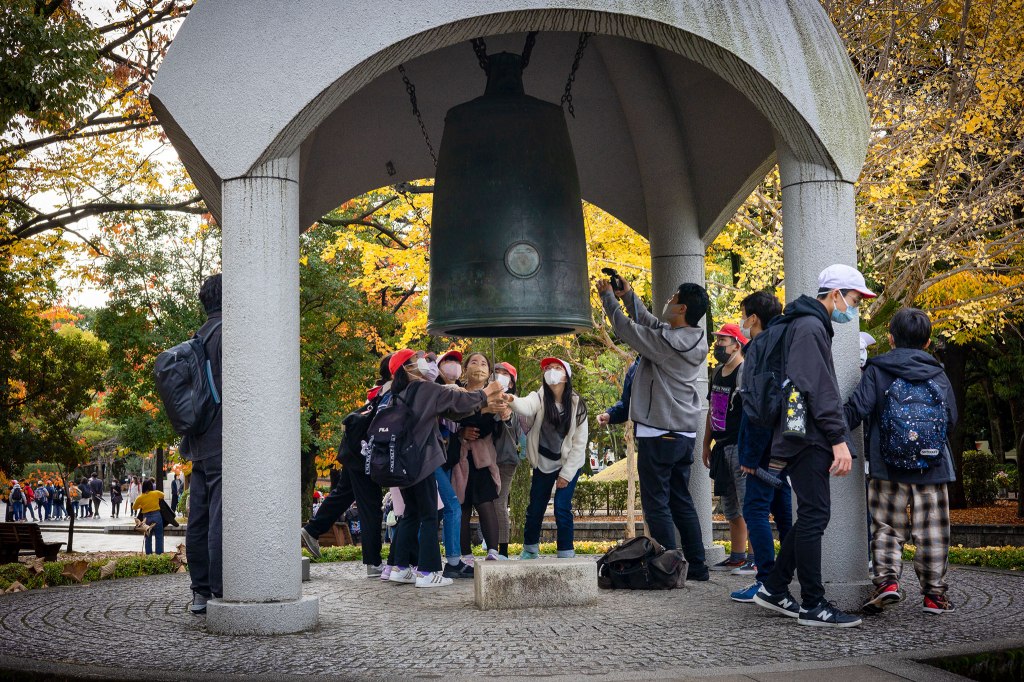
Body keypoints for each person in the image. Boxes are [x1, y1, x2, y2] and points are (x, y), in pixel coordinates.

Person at [751, 263, 873, 628]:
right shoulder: (809, 326)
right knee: (815, 516)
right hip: (808, 438)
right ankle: (813, 604)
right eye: (854, 300)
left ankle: (775, 588)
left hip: (800, 435)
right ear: (835, 295)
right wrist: (838, 439)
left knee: (811, 515)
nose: (854, 309)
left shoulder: (805, 322)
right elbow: (816, 387)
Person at [844, 308, 958, 615]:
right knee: (932, 532)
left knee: (886, 527)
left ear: (891, 338)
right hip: (933, 467)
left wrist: (827, 425)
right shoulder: (938, 373)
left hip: (887, 466)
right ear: (928, 342)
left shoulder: (877, 370)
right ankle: (934, 596)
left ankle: (887, 583)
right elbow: (951, 419)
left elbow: (856, 410)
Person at [596, 275, 710, 581]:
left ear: (682, 308)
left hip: (659, 431)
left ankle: (668, 569)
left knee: (656, 503)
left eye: (673, 298)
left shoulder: (667, 344)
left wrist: (608, 298)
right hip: (682, 433)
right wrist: (628, 295)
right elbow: (650, 323)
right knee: (680, 500)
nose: (668, 300)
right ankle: (698, 566)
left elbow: (628, 330)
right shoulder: (689, 337)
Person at [385, 348, 504, 588]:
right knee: (429, 514)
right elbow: (455, 401)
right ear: (407, 368)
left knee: (411, 513)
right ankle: (427, 572)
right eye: (417, 360)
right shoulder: (423, 389)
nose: (424, 362)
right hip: (422, 460)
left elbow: (451, 411)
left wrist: (481, 406)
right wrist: (485, 393)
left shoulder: (399, 394)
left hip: (403, 462)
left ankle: (400, 567)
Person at [300, 354, 392, 577]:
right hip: (365, 457)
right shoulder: (390, 393)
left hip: (355, 453)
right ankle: (373, 562)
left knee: (342, 495)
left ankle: (312, 530)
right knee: (370, 507)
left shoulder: (378, 391)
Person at [730, 290, 793, 604]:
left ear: (754, 318)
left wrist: (749, 454)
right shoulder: (787, 338)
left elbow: (757, 405)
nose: (743, 321)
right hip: (786, 440)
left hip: (764, 444)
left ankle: (767, 580)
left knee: (755, 509)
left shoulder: (759, 347)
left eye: (744, 315)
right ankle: (788, 573)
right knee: (782, 509)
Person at [506, 357, 588, 559]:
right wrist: (511, 400)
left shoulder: (577, 404)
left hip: (569, 462)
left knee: (562, 507)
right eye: (548, 368)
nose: (552, 371)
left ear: (566, 376)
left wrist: (566, 475)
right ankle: (530, 549)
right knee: (536, 507)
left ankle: (566, 551)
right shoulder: (539, 396)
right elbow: (526, 405)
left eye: (557, 368)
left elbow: (579, 444)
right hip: (543, 460)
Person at [180, 273, 223, 615]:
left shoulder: (198, 337)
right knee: (220, 517)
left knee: (198, 518)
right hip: (223, 439)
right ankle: (221, 590)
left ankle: (200, 592)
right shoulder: (229, 334)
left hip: (197, 441)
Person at [702, 323, 755, 574]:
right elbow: (712, 410)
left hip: (740, 446)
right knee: (731, 507)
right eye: (718, 340)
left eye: (723, 340)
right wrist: (706, 444)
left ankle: (756, 558)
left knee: (749, 506)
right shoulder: (717, 373)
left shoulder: (745, 371)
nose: (718, 344)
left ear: (736, 345)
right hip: (721, 448)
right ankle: (737, 556)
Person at [453, 352, 504, 562]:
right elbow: (454, 418)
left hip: (483, 459)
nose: (479, 366)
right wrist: (463, 430)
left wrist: (483, 414)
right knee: (461, 506)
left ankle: (493, 550)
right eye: (474, 362)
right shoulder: (456, 392)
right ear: (465, 368)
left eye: (484, 363)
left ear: (489, 371)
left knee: (486, 503)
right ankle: (465, 554)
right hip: (459, 458)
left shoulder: (496, 394)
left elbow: (487, 428)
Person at [434, 350, 473, 579]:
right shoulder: (434, 391)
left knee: (439, 510)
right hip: (432, 460)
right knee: (451, 506)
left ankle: (417, 560)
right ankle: (453, 561)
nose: (453, 365)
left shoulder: (461, 394)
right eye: (448, 361)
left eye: (457, 362)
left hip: (448, 459)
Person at [492, 361, 523, 559]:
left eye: (504, 373)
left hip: (505, 460)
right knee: (486, 503)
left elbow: (517, 430)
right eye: (496, 372)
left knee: (499, 502)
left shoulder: (516, 404)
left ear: (511, 382)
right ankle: (490, 544)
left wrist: (506, 416)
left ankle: (502, 548)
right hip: (483, 459)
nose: (499, 375)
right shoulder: (484, 398)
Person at [132, 479, 166, 555]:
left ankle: (149, 554)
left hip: (146, 518)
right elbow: (163, 495)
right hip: (157, 515)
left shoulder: (140, 497)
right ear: (151, 486)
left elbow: (134, 507)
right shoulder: (156, 493)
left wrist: (141, 505)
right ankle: (159, 555)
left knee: (148, 537)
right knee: (159, 536)